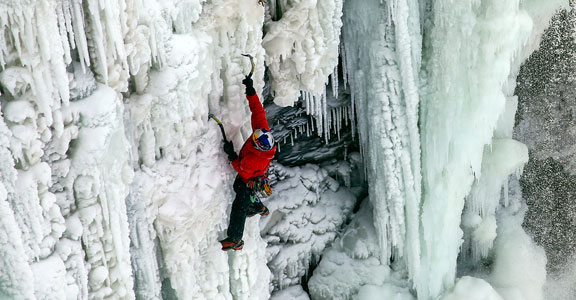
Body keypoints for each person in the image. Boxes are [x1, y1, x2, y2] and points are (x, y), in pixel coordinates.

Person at [219, 76, 276, 251]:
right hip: (257, 176)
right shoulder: (262, 132)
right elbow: (258, 112)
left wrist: (231, 154)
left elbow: (241, 169)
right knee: (241, 189)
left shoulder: (254, 159)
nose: (253, 134)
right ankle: (257, 206)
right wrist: (251, 92)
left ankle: (235, 239)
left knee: (239, 205)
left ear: (258, 145)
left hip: (250, 178)